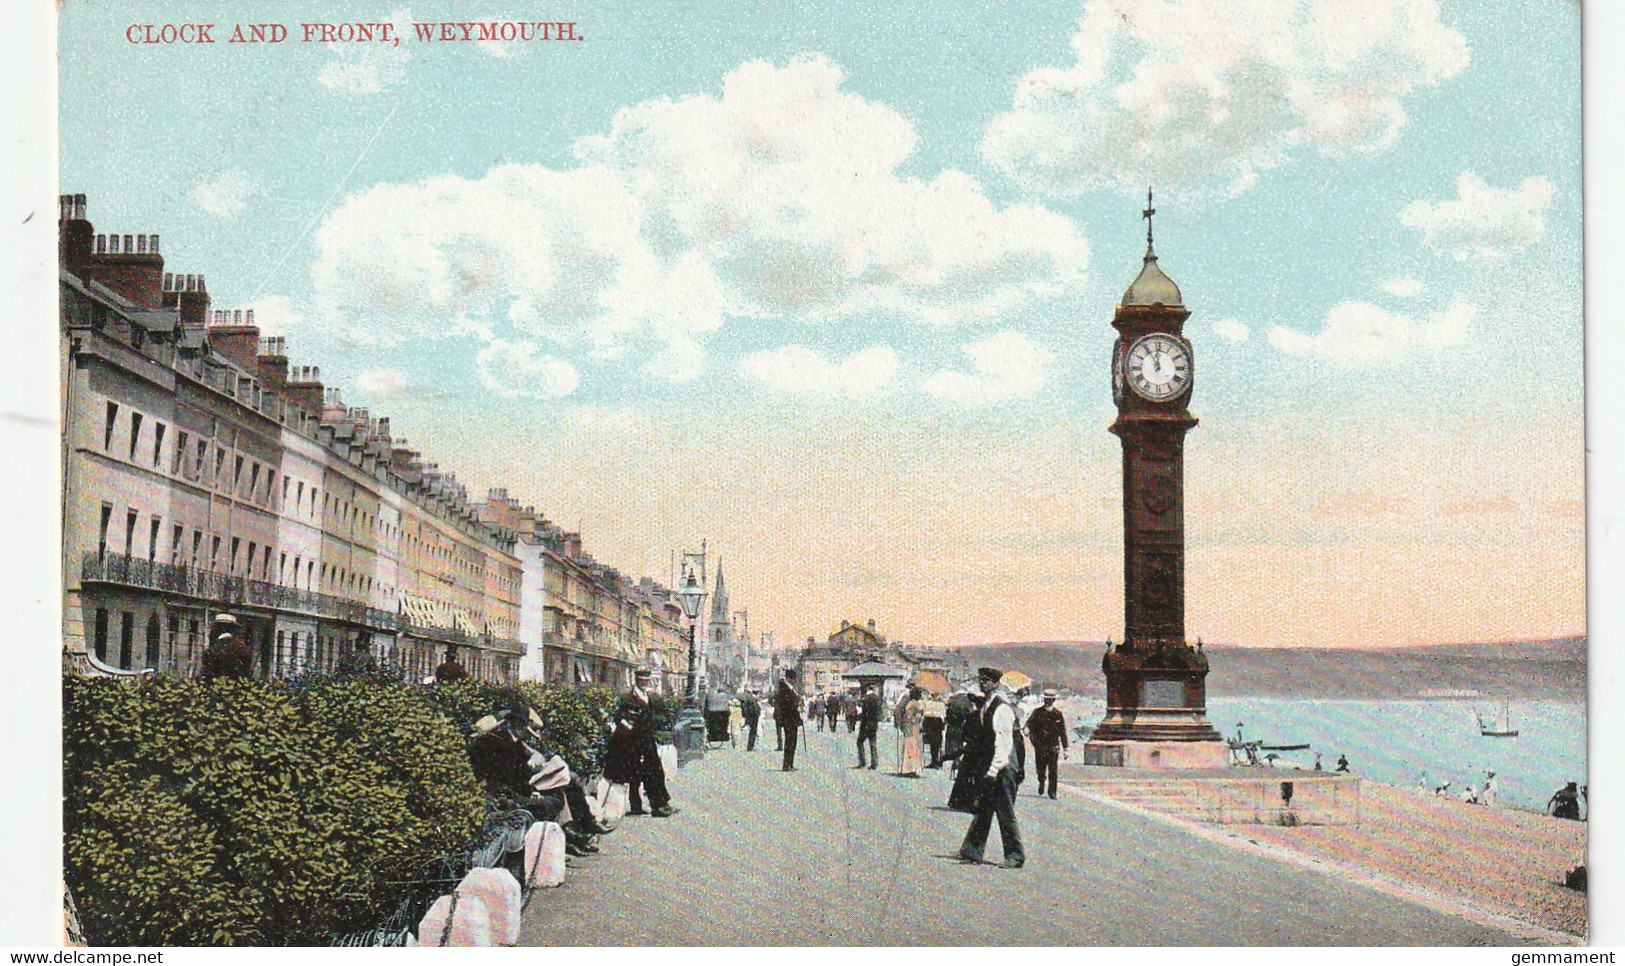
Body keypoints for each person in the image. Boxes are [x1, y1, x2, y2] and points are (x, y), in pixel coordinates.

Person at [957, 667, 1025, 869]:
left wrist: (994, 770)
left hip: (1003, 766)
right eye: (981, 680)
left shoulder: (1002, 708)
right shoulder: (988, 705)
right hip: (993, 764)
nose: (983, 683)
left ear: (996, 683)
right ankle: (972, 849)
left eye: (987, 680)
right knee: (984, 807)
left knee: (1005, 811)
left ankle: (1015, 855)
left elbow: (1004, 744)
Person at [613, 669, 680, 817]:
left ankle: (659, 804)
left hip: (647, 740)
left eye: (646, 680)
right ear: (636, 680)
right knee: (634, 774)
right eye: (642, 680)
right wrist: (630, 730)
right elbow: (619, 718)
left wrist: (656, 723)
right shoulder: (628, 697)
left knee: (655, 771)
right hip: (632, 742)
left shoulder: (650, 697)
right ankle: (637, 806)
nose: (644, 682)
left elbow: (660, 715)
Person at [1024, 689, 1068, 799]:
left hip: (1053, 745)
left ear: (1054, 700)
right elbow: (1028, 724)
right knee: (1040, 767)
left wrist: (1066, 748)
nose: (1048, 701)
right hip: (1040, 745)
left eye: (1050, 699)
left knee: (1053, 770)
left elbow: (1062, 732)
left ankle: (1052, 792)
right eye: (1046, 699)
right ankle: (1041, 782)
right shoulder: (1037, 712)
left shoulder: (1058, 714)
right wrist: (1027, 731)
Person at [774, 670, 804, 771]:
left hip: (791, 718)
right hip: (789, 719)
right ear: (789, 679)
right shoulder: (784, 689)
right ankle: (787, 764)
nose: (795, 681)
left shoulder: (789, 688)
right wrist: (796, 702)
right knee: (790, 742)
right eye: (794, 679)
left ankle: (790, 763)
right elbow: (788, 704)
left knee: (793, 742)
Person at [856, 682, 883, 770]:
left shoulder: (865, 699)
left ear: (867, 689)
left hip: (865, 724)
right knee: (873, 743)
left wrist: (860, 716)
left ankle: (862, 761)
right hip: (874, 724)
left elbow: (864, 712)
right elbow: (879, 712)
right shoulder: (877, 698)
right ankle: (874, 763)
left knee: (859, 742)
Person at [899, 686, 925, 776]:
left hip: (909, 726)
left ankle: (907, 768)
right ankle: (912, 769)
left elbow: (907, 715)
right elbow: (917, 717)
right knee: (914, 747)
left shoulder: (910, 703)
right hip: (914, 727)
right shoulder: (916, 704)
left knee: (909, 747)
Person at [922, 692, 947, 767]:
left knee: (933, 743)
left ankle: (934, 760)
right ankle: (936, 760)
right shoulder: (941, 703)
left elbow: (925, 713)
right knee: (936, 743)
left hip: (931, 722)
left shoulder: (929, 702)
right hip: (937, 723)